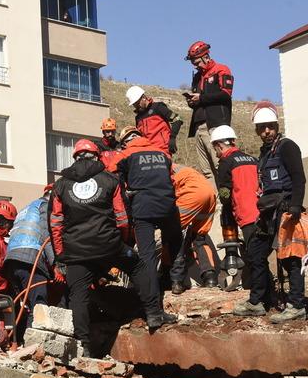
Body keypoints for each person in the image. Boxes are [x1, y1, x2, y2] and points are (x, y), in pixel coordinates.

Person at [50, 139, 176, 355]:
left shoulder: (60, 185)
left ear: (75, 157)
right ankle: (154, 314)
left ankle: (84, 345)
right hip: (109, 244)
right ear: (97, 156)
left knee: (78, 293)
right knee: (137, 267)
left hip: (76, 251)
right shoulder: (109, 180)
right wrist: (123, 242)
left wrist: (61, 254)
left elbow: (55, 223)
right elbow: (122, 217)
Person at [249, 102, 308, 323]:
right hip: (268, 212)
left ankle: (296, 305)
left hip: (286, 210)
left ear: (276, 126)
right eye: (261, 128)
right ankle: (256, 302)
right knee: (256, 252)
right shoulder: (265, 153)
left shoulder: (287, 147)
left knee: (291, 259)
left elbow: (299, 178)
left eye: (269, 126)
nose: (266, 131)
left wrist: (296, 206)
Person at [108, 127, 184, 296]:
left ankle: (152, 296)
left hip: (143, 207)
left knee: (147, 253)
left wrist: (126, 194)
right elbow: (171, 178)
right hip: (167, 204)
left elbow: (111, 178)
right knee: (175, 239)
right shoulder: (162, 153)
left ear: (126, 142)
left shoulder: (125, 155)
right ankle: (177, 281)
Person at [210, 126, 264, 317]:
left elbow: (225, 194)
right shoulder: (252, 159)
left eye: (215, 149)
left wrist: (227, 209)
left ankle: (258, 301)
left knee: (256, 259)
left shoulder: (226, 162)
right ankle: (267, 295)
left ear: (219, 144)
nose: (216, 154)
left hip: (246, 214)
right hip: (262, 213)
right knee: (262, 257)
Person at [5, 185, 57, 340]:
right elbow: (46, 233)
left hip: (11, 261)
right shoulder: (46, 206)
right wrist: (55, 264)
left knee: (26, 305)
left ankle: (20, 342)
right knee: (39, 303)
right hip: (30, 259)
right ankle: (34, 345)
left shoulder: (27, 207)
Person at [185, 41, 234, 183]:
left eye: (197, 62)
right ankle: (215, 202)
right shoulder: (196, 77)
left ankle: (227, 200)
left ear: (206, 56)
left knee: (220, 164)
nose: (195, 66)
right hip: (199, 126)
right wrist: (192, 101)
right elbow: (200, 100)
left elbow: (226, 94)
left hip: (215, 125)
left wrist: (202, 98)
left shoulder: (221, 69)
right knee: (206, 170)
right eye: (193, 63)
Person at [170, 163, 220, 292]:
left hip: (193, 194)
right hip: (209, 194)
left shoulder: (161, 169)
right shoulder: (181, 168)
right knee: (199, 237)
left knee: (173, 233)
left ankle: (175, 280)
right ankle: (210, 277)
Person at [125, 85, 183, 155]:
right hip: (147, 154)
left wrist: (172, 138)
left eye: (137, 103)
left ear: (143, 97)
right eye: (134, 105)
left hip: (163, 151)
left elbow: (177, 119)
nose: (136, 106)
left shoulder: (158, 107)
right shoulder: (138, 118)